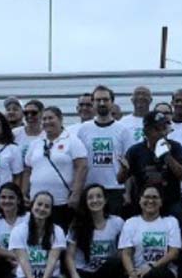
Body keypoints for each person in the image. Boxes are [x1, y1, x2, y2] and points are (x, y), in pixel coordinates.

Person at [119, 185, 182, 278]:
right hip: (138, 272)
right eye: (146, 197)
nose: (150, 201)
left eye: (155, 197)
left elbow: (174, 252)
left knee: (156, 274)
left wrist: (153, 266)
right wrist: (132, 274)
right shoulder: (131, 223)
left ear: (161, 201)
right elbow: (126, 253)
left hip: (164, 271)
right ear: (139, 200)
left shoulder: (170, 221)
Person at [65, 185, 126, 278]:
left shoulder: (117, 222)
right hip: (84, 273)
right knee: (66, 276)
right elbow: (69, 256)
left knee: (117, 262)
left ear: (105, 200)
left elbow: (125, 249)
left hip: (106, 272)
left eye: (99, 196)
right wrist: (75, 277)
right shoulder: (77, 224)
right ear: (85, 202)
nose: (95, 200)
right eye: (90, 197)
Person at [22, 106, 87, 230]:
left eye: (51, 118)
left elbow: (82, 167)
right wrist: (24, 192)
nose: (47, 122)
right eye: (44, 119)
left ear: (60, 119)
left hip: (61, 202)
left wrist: (76, 193)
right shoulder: (36, 143)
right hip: (37, 202)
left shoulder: (72, 141)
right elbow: (27, 170)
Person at [119, 112, 182, 221]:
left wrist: (167, 156)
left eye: (164, 128)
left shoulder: (175, 147)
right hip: (144, 205)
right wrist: (124, 170)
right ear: (146, 132)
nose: (162, 133)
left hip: (170, 204)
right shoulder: (135, 151)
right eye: (157, 129)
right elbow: (120, 180)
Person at [10, 191, 67, 278]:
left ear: (51, 210)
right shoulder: (19, 230)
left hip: (49, 276)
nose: (42, 209)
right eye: (39, 204)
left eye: (47, 206)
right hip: (27, 276)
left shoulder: (57, 231)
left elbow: (53, 260)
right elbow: (22, 259)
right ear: (32, 205)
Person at [76, 85, 128, 215]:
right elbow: (78, 164)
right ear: (93, 103)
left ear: (112, 102)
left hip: (115, 189)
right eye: (98, 100)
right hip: (90, 190)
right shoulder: (83, 130)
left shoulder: (123, 130)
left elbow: (129, 165)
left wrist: (128, 192)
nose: (102, 103)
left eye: (105, 99)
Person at [118, 86, 153, 150]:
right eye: (137, 94)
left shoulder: (155, 121)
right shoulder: (122, 123)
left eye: (144, 94)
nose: (141, 97)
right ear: (131, 100)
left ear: (151, 100)